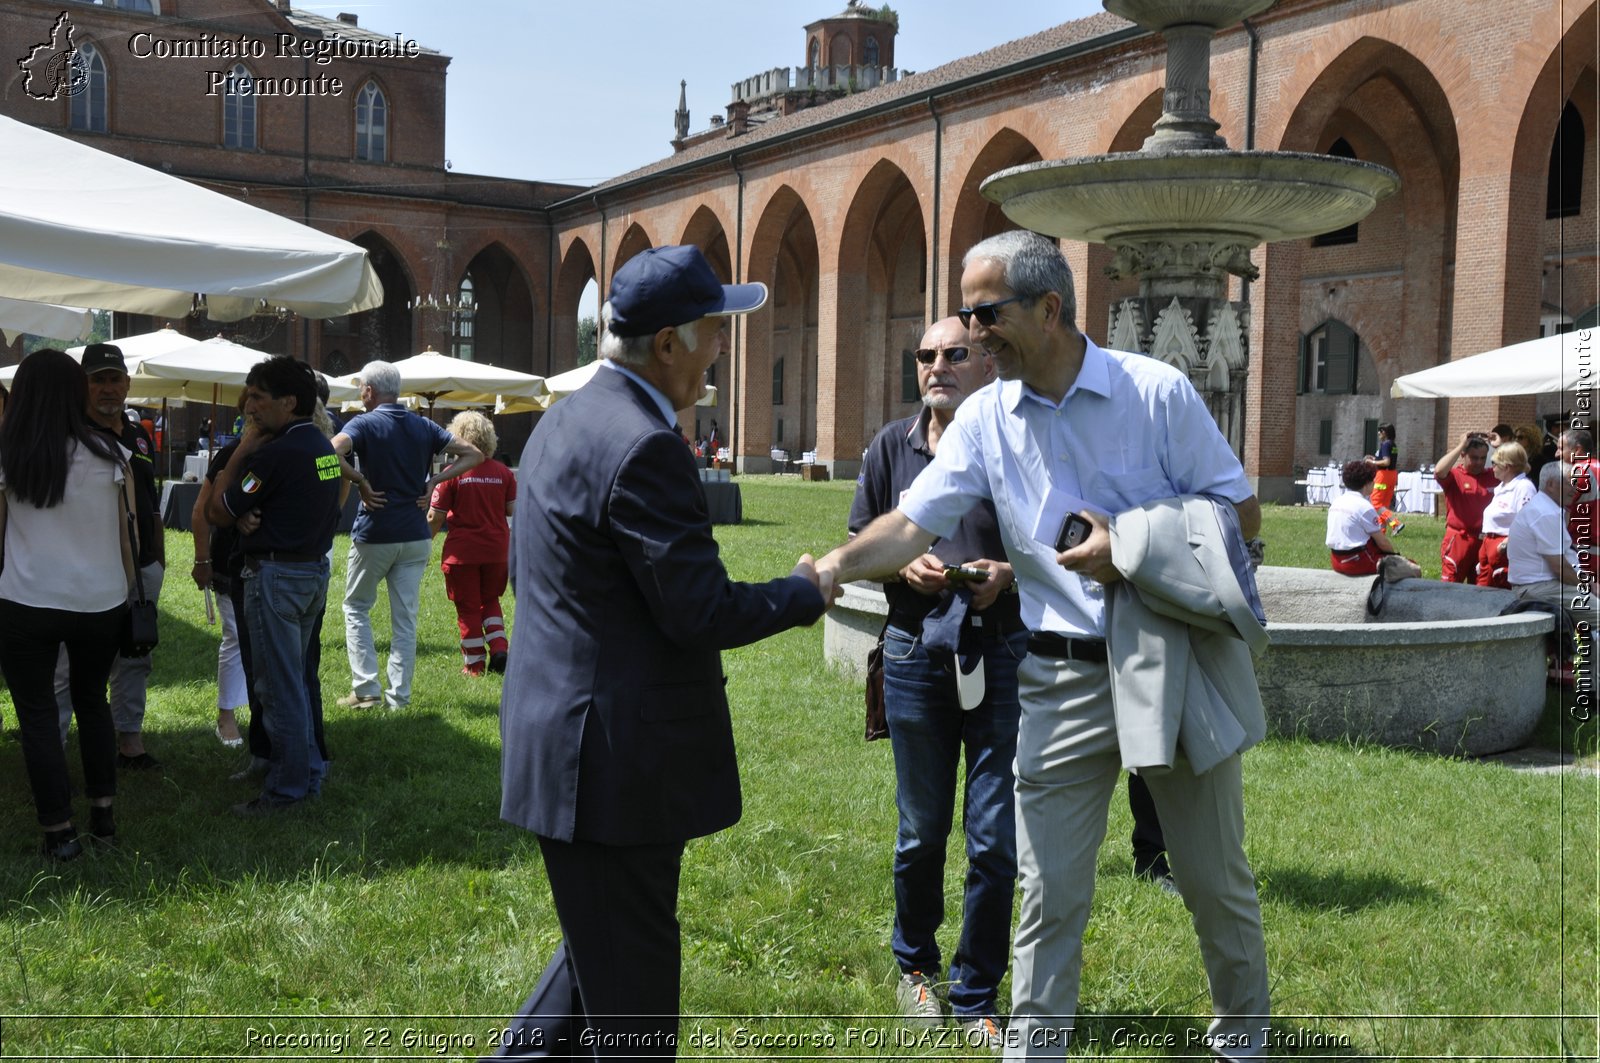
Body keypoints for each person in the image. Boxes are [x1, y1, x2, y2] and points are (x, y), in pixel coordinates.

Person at [816, 231, 1270, 1059]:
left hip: (1169, 659)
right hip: (1056, 674)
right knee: (1048, 889)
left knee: (1211, 878)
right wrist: (836, 566)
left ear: (1050, 308)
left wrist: (1127, 542)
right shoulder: (986, 417)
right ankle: (1035, 1048)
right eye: (965, 313)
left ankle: (1243, 1039)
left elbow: (1242, 519)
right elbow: (914, 519)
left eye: (986, 312)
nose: (972, 331)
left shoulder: (1155, 391)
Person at [489, 245, 830, 1058]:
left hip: (567, 749)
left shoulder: (565, 416)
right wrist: (803, 591)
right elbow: (699, 609)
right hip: (610, 768)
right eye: (717, 328)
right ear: (670, 343)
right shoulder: (646, 444)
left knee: (596, 953)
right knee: (634, 1011)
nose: (725, 345)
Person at [850, 316, 1026, 1044]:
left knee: (994, 839)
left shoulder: (1016, 443)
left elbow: (1058, 540)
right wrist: (904, 563)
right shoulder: (893, 446)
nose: (938, 366)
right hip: (917, 653)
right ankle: (915, 967)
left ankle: (978, 989)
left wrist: (1010, 572)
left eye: (955, 353)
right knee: (921, 828)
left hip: (1002, 651)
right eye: (926, 355)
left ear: (987, 362)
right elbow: (865, 540)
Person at [0, 350, 135, 858]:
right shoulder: (112, 454)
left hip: (25, 599)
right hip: (100, 601)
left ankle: (58, 833)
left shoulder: (9, 455)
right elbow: (128, 538)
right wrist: (129, 593)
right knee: (92, 702)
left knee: (37, 715)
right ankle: (103, 815)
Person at [205, 357, 343, 815]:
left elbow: (217, 511)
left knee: (277, 688)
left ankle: (286, 790)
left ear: (289, 402)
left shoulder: (273, 453)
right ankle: (310, 773)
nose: (249, 405)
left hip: (276, 578)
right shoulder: (323, 448)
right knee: (297, 681)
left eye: (258, 397)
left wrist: (244, 449)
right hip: (310, 573)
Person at [332, 360, 483, 711]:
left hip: (376, 531)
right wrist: (435, 480)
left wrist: (359, 481)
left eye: (361, 388)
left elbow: (328, 450)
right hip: (416, 534)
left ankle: (366, 689)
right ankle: (398, 699)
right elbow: (474, 454)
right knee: (405, 619)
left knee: (356, 607)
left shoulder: (364, 423)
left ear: (369, 390)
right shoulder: (423, 424)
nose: (359, 393)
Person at [53, 343, 163, 770]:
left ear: (128, 384)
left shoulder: (138, 434)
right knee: (67, 665)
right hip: (86, 567)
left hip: (141, 564)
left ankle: (129, 742)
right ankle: (56, 752)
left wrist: (158, 554)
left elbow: (151, 498)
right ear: (83, 385)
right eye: (98, 379)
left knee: (136, 652)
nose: (107, 388)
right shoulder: (68, 436)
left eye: (114, 379)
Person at [426, 411, 517, 677]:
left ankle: (474, 665)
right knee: (490, 600)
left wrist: (423, 545)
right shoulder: (504, 472)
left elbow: (435, 517)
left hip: (462, 552)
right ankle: (499, 647)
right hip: (498, 549)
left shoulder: (452, 474)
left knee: (468, 607)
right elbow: (512, 509)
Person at [191, 395, 250, 748]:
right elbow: (201, 511)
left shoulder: (289, 451)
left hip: (274, 562)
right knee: (235, 637)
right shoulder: (229, 456)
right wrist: (202, 560)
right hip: (231, 562)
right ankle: (226, 716)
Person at [1506, 461, 1581, 606]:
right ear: (1551, 485)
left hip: (1543, 585)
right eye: (1570, 483)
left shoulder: (1547, 508)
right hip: (1540, 587)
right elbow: (1561, 568)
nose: (1575, 489)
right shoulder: (1545, 513)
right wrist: (1589, 586)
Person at [1432, 431, 1497, 583]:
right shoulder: (1455, 475)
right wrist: (1461, 444)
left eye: (1483, 458)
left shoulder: (1493, 475)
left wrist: (1500, 445)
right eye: (1474, 458)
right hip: (1459, 539)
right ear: (1463, 455)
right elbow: (1439, 470)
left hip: (1484, 540)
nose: (1479, 462)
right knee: (1451, 586)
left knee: (1482, 588)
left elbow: (1522, 469)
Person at [1325, 460, 1402, 575]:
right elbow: (1382, 543)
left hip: (1336, 560)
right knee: (1410, 566)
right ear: (1367, 484)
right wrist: (1396, 556)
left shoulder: (1337, 502)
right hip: (1357, 562)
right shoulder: (1364, 506)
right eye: (1373, 481)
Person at [1476, 442, 1537, 589]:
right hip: (1489, 544)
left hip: (1504, 547)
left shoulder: (1524, 487)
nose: (1492, 468)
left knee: (1501, 589)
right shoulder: (1502, 487)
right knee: (1482, 591)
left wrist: (1503, 545)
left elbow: (1527, 524)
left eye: (1494, 463)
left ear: (1507, 467)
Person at [1556, 428, 1597, 576]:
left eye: (1561, 448)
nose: (1557, 454)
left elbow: (1557, 511)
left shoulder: (1579, 471)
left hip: (1584, 554)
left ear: (1577, 450)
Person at [1363, 422, 1403, 535]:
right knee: (1383, 505)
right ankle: (1381, 531)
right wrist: (1375, 457)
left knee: (1376, 503)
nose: (1378, 433)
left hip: (1383, 476)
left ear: (1385, 432)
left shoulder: (1385, 444)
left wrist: (1372, 461)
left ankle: (1396, 524)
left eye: (1380, 431)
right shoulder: (1393, 445)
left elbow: (1386, 462)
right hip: (1392, 475)